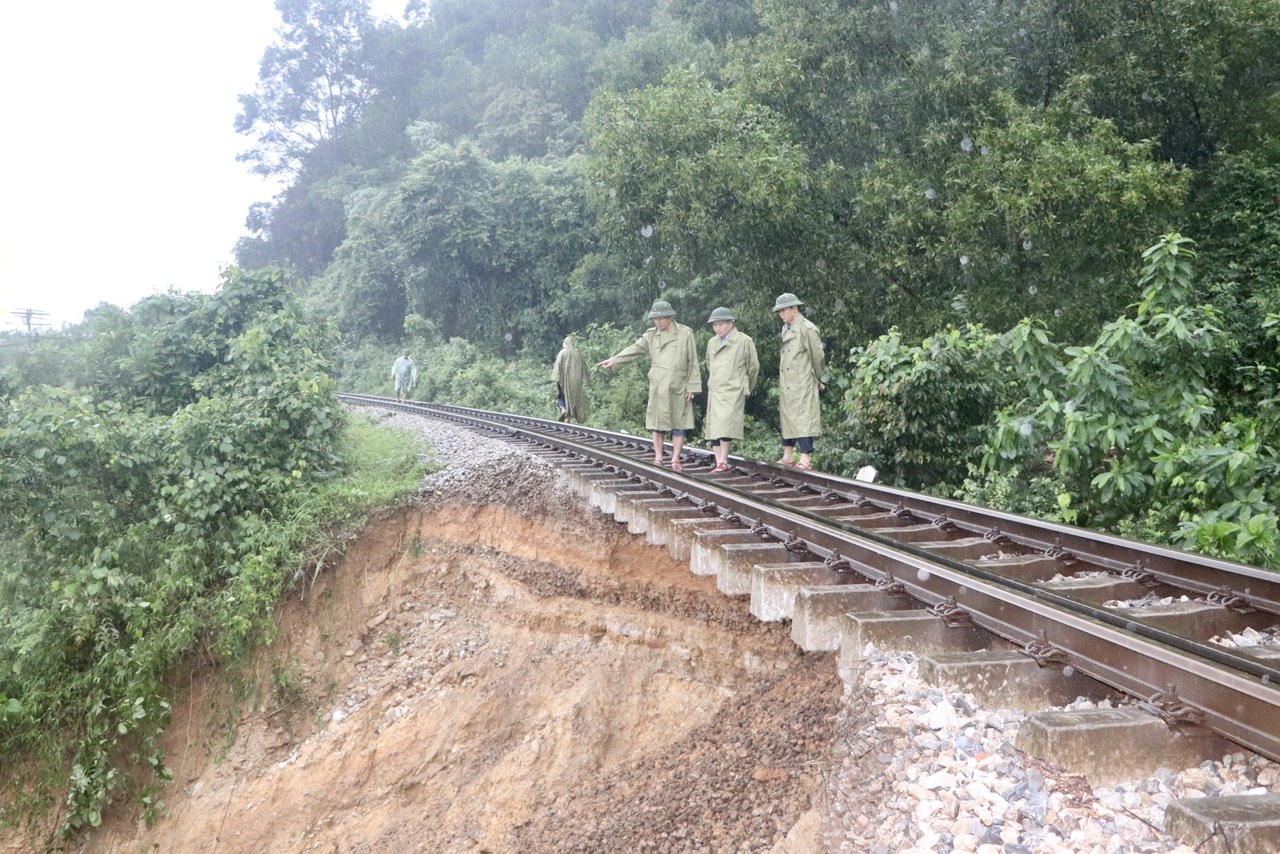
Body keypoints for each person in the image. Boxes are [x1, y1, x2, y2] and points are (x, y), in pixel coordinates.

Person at [598, 299, 702, 472]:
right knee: (657, 423)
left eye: (661, 318)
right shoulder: (651, 335)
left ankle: (675, 459)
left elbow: (693, 362)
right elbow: (634, 349)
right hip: (658, 386)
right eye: (655, 319)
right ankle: (659, 457)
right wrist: (614, 361)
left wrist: (693, 386)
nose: (658, 322)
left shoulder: (685, 334)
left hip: (679, 386)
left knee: (679, 423)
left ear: (670, 317)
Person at [703, 306, 759, 473]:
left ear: (730, 323)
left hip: (733, 388)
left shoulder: (744, 341)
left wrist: (745, 386)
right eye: (714, 325)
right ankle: (719, 461)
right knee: (714, 425)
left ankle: (723, 460)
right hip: (716, 388)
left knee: (726, 424)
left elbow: (753, 367)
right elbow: (708, 363)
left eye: (720, 324)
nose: (717, 328)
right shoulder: (712, 343)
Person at [772, 292, 825, 469]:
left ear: (794, 308)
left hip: (802, 380)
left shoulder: (807, 328)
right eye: (779, 311)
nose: (781, 314)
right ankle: (787, 455)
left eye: (783, 310)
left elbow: (817, 356)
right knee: (787, 417)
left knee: (804, 419)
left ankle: (805, 458)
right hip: (788, 382)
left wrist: (818, 378)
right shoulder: (785, 328)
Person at [550, 334, 589, 423]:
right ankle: (568, 418)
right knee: (572, 399)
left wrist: (555, 378)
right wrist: (586, 381)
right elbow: (584, 368)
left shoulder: (562, 353)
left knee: (561, 396)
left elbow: (558, 366)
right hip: (576, 382)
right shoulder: (578, 354)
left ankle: (563, 410)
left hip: (564, 380)